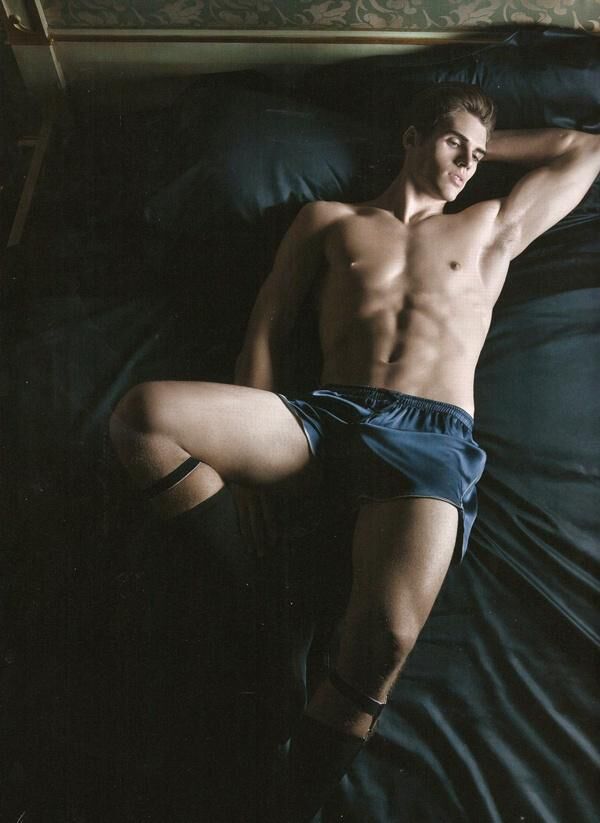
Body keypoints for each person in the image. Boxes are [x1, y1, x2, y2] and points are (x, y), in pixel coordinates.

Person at [109, 83, 600, 821]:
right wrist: (249, 475)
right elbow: (267, 329)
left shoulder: (489, 227)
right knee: (142, 418)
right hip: (324, 417)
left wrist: (477, 142)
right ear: (410, 136)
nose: (467, 163)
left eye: (478, 155)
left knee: (387, 639)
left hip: (431, 442)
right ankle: (268, 605)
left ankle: (290, 801)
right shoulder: (328, 221)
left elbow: (584, 149)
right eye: (452, 143)